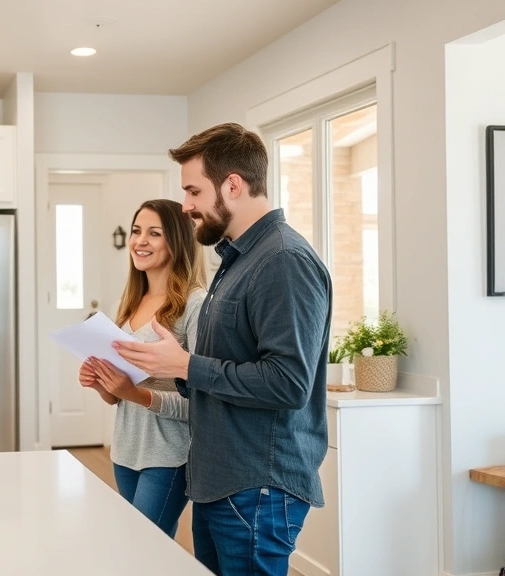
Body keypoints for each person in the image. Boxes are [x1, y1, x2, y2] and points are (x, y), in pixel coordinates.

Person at [114, 123, 332, 575]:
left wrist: (187, 364)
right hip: (219, 482)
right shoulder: (236, 261)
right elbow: (220, 371)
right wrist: (173, 365)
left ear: (232, 184)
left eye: (193, 191)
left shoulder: (283, 261)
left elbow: (288, 383)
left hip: (257, 485)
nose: (186, 205)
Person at [78, 198, 206, 538]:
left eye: (154, 233)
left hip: (168, 456)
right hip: (125, 450)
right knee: (142, 549)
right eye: (136, 231)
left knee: (143, 545)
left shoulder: (194, 304)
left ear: (176, 241)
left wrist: (133, 392)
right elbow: (120, 398)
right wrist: (103, 384)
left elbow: (202, 403)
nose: (139, 241)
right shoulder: (130, 302)